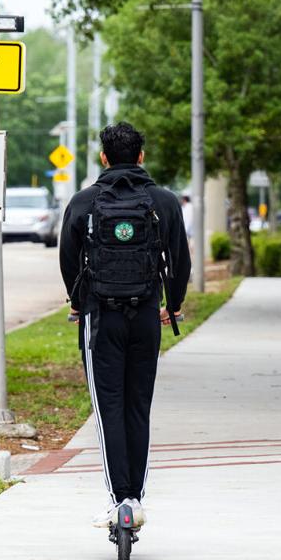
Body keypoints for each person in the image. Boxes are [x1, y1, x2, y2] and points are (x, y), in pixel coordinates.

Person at [59, 122, 191, 530]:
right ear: (141, 156)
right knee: (138, 407)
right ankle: (136, 495)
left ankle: (121, 500)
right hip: (148, 315)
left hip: (101, 320)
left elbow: (68, 259)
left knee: (108, 410)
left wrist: (79, 305)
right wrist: (173, 305)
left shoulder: (84, 202)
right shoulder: (164, 202)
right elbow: (180, 261)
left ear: (103, 157)